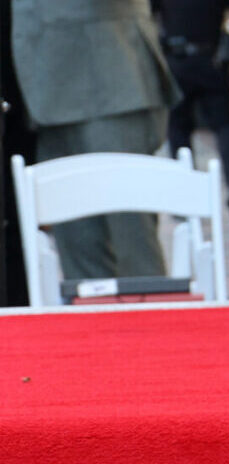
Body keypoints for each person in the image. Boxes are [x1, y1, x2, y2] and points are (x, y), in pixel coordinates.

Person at [9, 0, 178, 280]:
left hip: (109, 80)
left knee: (133, 244)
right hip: (44, 89)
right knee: (78, 250)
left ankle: (152, 322)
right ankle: (93, 323)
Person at [154, 0, 229, 217]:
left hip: (182, 61)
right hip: (208, 61)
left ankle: (186, 196)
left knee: (181, 129)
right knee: (222, 125)